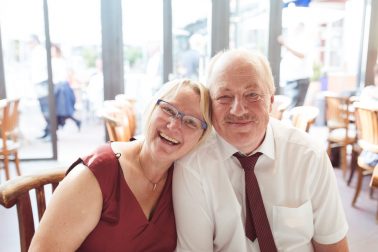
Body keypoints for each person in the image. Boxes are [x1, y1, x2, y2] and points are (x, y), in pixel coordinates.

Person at [173, 49, 349, 251]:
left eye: (252, 95)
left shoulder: (309, 156)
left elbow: (333, 245)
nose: (238, 110)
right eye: (224, 96)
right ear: (210, 104)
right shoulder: (192, 166)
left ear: (271, 101)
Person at [29, 79, 212, 251]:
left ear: (200, 139)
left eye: (190, 122)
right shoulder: (96, 175)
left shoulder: (185, 180)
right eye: (169, 110)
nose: (174, 125)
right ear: (151, 108)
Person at [278, 22, 313, 108]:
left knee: (294, 109)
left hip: (300, 80)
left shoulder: (305, 39)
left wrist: (285, 45)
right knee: (289, 108)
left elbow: (302, 55)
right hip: (290, 79)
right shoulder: (291, 39)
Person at [51, 43, 81, 131]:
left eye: (53, 50)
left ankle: (54, 129)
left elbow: (67, 75)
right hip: (60, 87)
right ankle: (76, 122)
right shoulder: (58, 61)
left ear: (56, 50)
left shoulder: (58, 61)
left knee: (62, 110)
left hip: (61, 88)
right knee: (61, 110)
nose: (51, 52)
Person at [27, 34, 49, 138]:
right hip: (39, 83)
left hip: (42, 82)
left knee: (46, 108)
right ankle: (48, 131)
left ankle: (50, 133)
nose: (28, 45)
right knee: (43, 108)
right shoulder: (36, 52)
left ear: (35, 41)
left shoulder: (40, 52)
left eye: (30, 42)